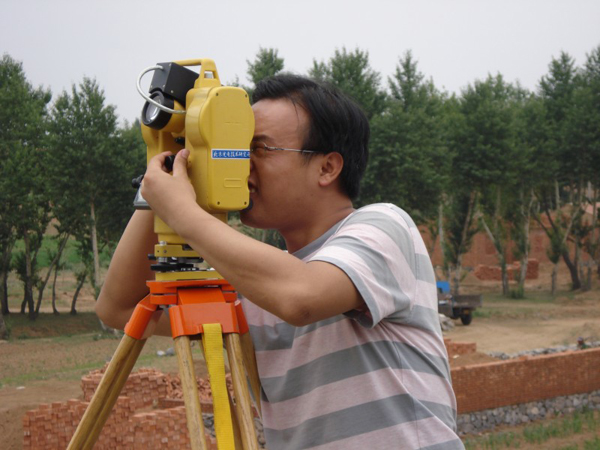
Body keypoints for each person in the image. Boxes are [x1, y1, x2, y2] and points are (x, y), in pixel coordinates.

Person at [96, 74, 464, 449]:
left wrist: (181, 212)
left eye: (260, 149)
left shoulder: (385, 227)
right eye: (237, 147)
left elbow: (303, 297)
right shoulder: (257, 283)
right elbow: (119, 308)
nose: (241, 163)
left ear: (327, 167)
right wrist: (165, 175)